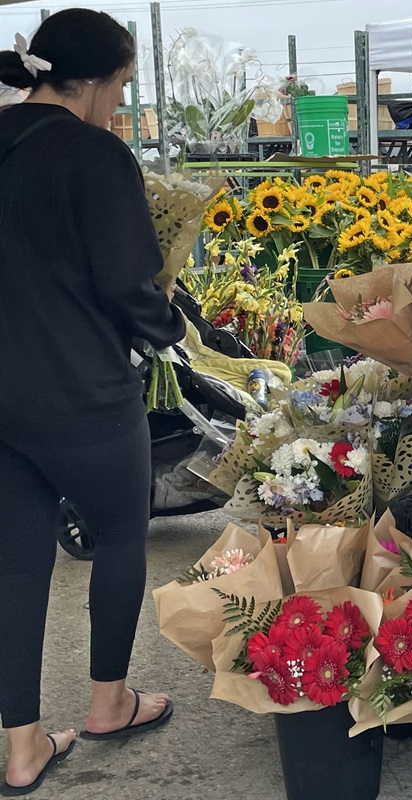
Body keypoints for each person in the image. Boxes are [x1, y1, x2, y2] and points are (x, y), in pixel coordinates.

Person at [0, 9, 182, 794]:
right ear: (98, 81)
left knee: (14, 566)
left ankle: (21, 746)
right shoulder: (95, 154)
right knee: (118, 535)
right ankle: (109, 702)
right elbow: (124, 284)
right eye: (122, 87)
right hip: (82, 392)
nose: (119, 103)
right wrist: (170, 324)